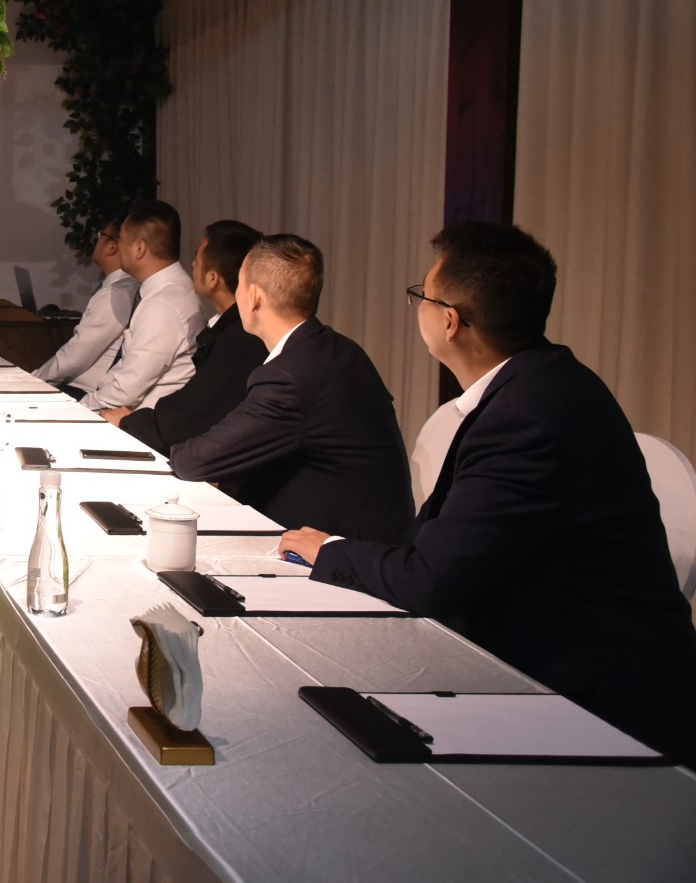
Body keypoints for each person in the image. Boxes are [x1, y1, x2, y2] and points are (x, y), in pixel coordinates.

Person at [284, 223, 696, 765]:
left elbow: (431, 579)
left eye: (422, 295)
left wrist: (332, 551)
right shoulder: (540, 381)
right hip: (560, 661)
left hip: (603, 707)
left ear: (449, 320)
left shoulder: (526, 416)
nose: (419, 307)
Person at [169, 235, 410, 541]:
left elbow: (194, 461)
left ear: (254, 296)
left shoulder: (291, 375)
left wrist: (186, 456)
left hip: (344, 547)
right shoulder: (336, 349)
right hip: (374, 533)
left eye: (240, 284)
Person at [105, 219, 267, 451]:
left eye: (197, 258)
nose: (192, 264)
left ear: (213, 278)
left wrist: (129, 422)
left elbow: (194, 413)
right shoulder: (233, 328)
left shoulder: (239, 338)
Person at [75, 200, 203, 411]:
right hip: (128, 413)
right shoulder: (168, 291)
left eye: (122, 240)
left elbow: (125, 390)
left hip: (136, 422)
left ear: (139, 248)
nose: (118, 248)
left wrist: (78, 409)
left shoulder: (163, 305)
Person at [34, 217, 137, 390]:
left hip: (83, 391)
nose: (96, 241)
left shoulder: (116, 294)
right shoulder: (119, 287)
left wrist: (33, 381)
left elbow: (74, 357)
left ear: (111, 247)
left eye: (101, 235)